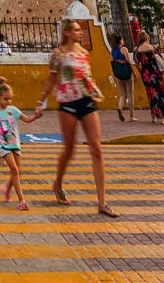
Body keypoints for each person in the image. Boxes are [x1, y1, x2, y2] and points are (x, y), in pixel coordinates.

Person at [36, 18, 118, 218]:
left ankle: (102, 203)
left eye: (80, 30)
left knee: (96, 148)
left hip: (87, 101)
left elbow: (87, 76)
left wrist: (95, 90)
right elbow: (51, 79)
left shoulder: (83, 53)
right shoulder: (58, 54)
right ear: (66, 32)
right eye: (76, 30)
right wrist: (41, 102)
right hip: (67, 103)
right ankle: (57, 183)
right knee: (70, 148)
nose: (80, 33)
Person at [0, 77, 43, 210]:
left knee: (17, 172)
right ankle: (21, 201)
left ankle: (6, 188)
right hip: (4, 146)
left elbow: (27, 119)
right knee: (15, 170)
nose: (9, 101)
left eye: (10, 98)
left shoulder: (14, 110)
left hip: (15, 144)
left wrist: (36, 116)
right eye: (6, 99)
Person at [133, 30, 164, 122]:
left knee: (151, 94)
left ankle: (154, 115)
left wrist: (141, 72)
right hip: (156, 73)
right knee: (159, 93)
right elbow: (160, 58)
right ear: (147, 38)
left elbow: (137, 63)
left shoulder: (137, 50)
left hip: (146, 74)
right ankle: (160, 116)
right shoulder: (153, 48)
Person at [110, 32, 135, 123]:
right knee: (130, 94)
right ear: (120, 40)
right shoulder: (123, 49)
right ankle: (131, 116)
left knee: (123, 94)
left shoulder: (112, 51)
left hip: (118, 74)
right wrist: (134, 72)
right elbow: (128, 62)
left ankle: (120, 108)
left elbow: (113, 61)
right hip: (127, 73)